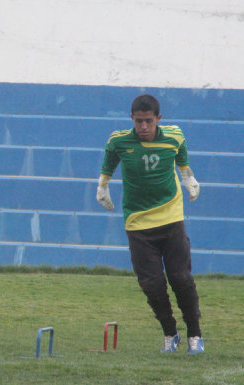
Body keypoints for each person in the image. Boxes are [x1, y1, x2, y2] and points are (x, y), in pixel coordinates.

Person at [96, 94, 204, 354]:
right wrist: (103, 185)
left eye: (148, 121)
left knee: (180, 278)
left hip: (171, 217)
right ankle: (170, 333)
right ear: (131, 119)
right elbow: (109, 161)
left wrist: (188, 177)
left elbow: (182, 157)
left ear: (158, 119)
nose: (143, 127)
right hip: (137, 222)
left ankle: (195, 335)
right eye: (138, 121)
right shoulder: (119, 141)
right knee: (152, 284)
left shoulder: (174, 136)